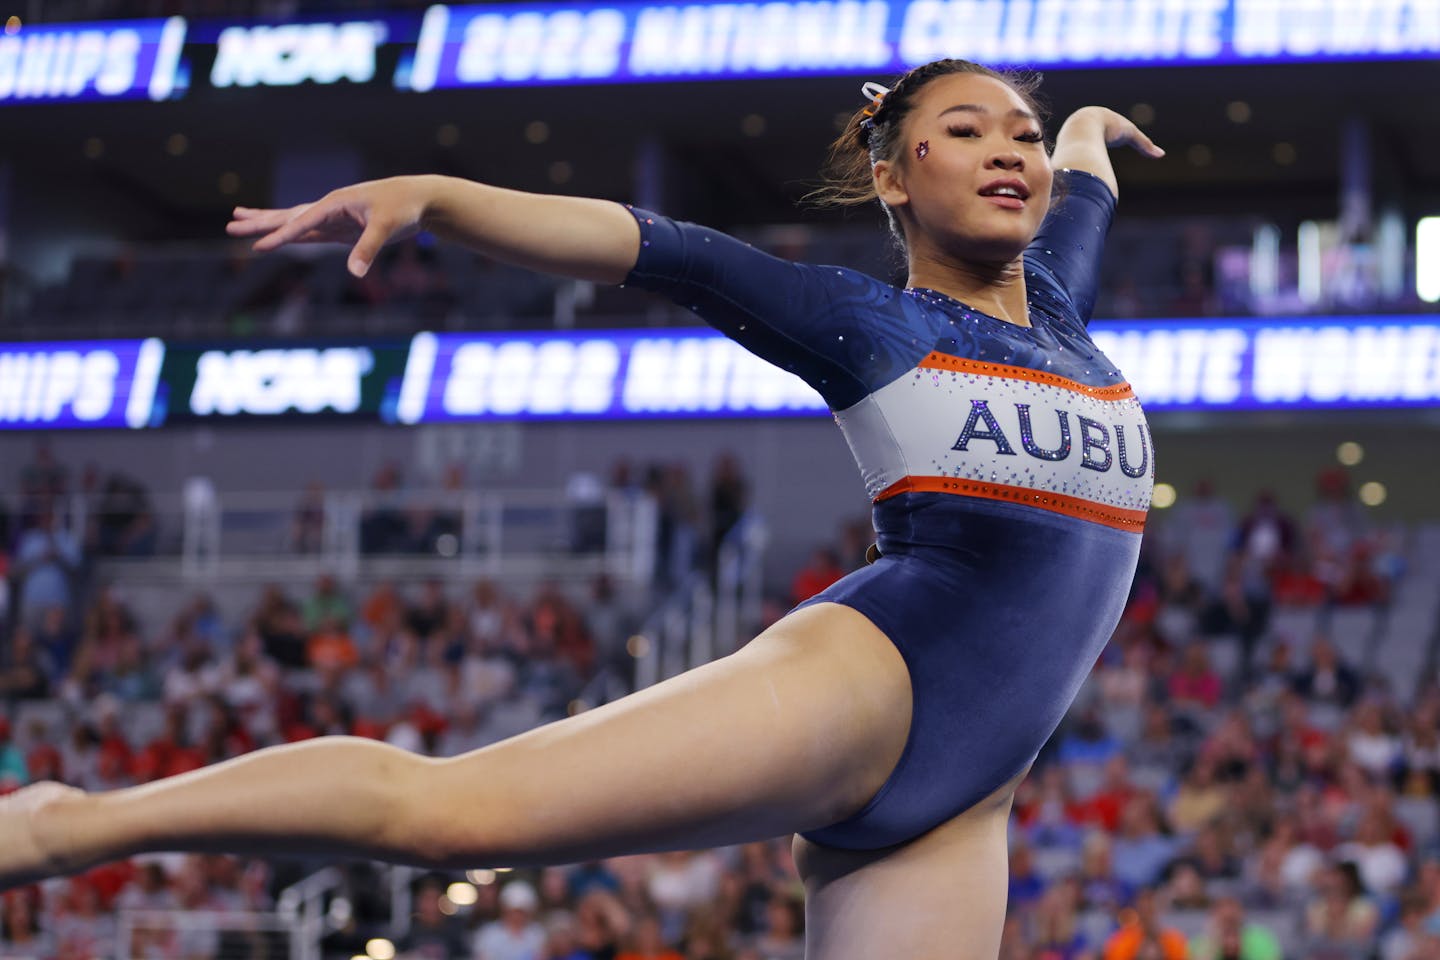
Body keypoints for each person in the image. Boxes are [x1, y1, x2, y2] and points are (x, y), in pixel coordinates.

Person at [0, 59, 1162, 957]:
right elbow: (664, 250)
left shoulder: (1062, 309)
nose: (1007, 154)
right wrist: (441, 195)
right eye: (963, 132)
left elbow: (1086, 182)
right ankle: (70, 825)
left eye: (1019, 138)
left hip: (972, 795)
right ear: (895, 177)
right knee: (449, 817)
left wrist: (1079, 132)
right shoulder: (868, 321)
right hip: (876, 684)